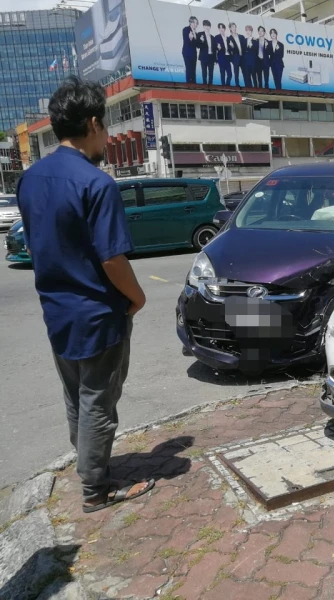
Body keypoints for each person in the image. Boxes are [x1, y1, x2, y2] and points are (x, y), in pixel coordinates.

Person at [16, 77, 153, 514]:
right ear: (93, 123)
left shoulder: (30, 179)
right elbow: (113, 260)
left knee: (76, 397)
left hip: (57, 311)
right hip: (97, 314)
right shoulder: (97, 183)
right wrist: (138, 299)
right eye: (106, 127)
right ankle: (96, 488)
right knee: (99, 401)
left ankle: (89, 465)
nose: (108, 138)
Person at [181, 16, 200, 84]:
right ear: (190, 22)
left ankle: (194, 84)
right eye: (194, 23)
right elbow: (186, 41)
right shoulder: (186, 29)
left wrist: (201, 41)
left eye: (196, 23)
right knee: (189, 69)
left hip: (194, 54)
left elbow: (197, 45)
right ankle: (189, 85)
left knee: (193, 70)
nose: (196, 24)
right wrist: (190, 38)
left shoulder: (196, 33)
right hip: (187, 53)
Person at [227, 22, 246, 88]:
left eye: (235, 27)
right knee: (236, 73)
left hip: (243, 58)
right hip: (235, 58)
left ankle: (247, 85)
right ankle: (237, 85)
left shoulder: (241, 36)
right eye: (232, 27)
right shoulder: (229, 39)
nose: (234, 28)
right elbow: (228, 50)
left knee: (245, 72)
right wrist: (231, 47)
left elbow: (245, 46)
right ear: (230, 28)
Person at [197, 20, 215, 85]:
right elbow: (198, 46)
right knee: (204, 72)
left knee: (211, 73)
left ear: (210, 27)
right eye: (205, 26)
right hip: (203, 57)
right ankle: (204, 85)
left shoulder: (213, 37)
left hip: (211, 58)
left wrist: (215, 59)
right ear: (203, 26)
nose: (207, 27)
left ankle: (210, 86)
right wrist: (202, 41)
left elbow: (214, 49)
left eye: (208, 26)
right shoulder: (200, 34)